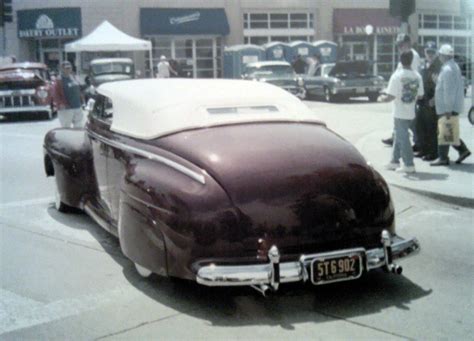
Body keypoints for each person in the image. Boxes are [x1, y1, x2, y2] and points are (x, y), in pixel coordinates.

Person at [382, 50, 424, 174]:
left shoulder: (397, 76)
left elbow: (390, 96)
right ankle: (394, 161)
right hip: (411, 111)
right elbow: (421, 96)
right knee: (398, 136)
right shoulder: (417, 76)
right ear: (412, 60)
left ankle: (409, 164)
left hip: (399, 112)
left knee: (403, 138)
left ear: (400, 60)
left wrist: (381, 98)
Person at [430, 44, 471, 166]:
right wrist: (437, 82)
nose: (439, 57)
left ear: (444, 56)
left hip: (447, 108)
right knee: (449, 131)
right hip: (450, 106)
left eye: (440, 55)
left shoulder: (447, 70)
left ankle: (443, 158)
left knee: (444, 131)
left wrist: (447, 109)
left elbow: (449, 91)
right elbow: (446, 87)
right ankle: (463, 151)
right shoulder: (452, 67)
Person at [382, 33, 421, 146]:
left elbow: (410, 76)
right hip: (401, 91)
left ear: (408, 43)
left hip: (407, 91)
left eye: (402, 45)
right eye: (398, 45)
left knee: (409, 120)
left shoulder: (413, 56)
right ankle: (395, 137)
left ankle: (418, 142)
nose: (399, 47)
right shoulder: (405, 55)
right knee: (399, 116)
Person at [415, 41, 442, 161]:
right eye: (428, 52)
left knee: (431, 129)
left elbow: (441, 86)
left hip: (432, 101)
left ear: (436, 53)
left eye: (432, 52)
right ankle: (423, 150)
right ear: (424, 52)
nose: (430, 54)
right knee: (421, 127)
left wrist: (435, 99)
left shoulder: (439, 66)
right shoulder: (423, 66)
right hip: (422, 100)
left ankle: (433, 153)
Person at [53, 61, 84, 128]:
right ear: (62, 69)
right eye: (66, 68)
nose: (68, 69)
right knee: (66, 127)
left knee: (79, 127)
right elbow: (55, 94)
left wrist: (82, 100)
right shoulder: (59, 80)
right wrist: (60, 103)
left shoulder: (73, 77)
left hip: (77, 106)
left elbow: (78, 89)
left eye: (69, 68)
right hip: (66, 108)